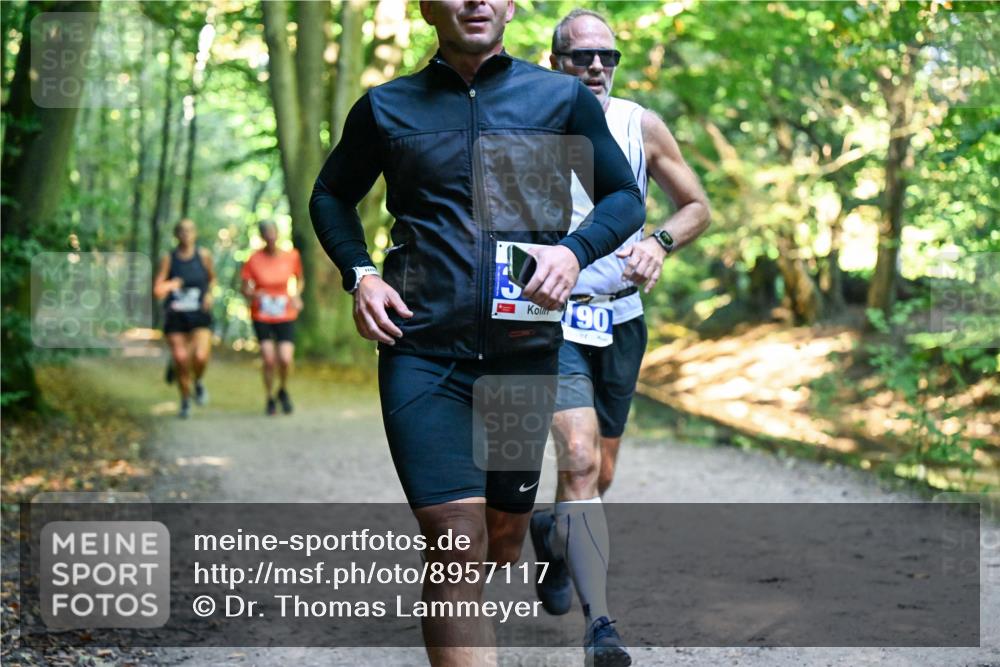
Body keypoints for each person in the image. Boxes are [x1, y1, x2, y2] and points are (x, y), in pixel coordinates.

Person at [309, 1, 646, 664]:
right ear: (428, 7)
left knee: (502, 536)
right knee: (454, 536)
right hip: (421, 350)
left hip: (522, 356)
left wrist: (574, 252)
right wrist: (361, 274)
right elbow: (330, 195)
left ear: (511, 6)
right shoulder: (387, 108)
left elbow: (624, 197)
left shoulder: (560, 99)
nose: (476, 1)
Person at [529, 9, 711, 666]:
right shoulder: (526, 121)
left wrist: (661, 242)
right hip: (551, 319)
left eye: (608, 56)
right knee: (577, 456)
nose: (597, 67)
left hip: (621, 316)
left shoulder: (640, 125)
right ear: (556, 63)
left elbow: (696, 205)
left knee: (599, 472)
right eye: (582, 57)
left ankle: (552, 538)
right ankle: (600, 623)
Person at [153, 218, 217, 419]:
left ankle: (198, 381)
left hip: (199, 315)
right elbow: (157, 290)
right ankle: (185, 401)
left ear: (195, 233)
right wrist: (172, 284)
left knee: (200, 357)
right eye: (182, 231)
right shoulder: (169, 259)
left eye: (190, 230)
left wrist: (208, 295)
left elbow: (212, 279)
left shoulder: (203, 256)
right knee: (181, 359)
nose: (186, 234)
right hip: (176, 317)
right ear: (176, 235)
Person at [240, 221, 304, 415]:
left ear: (278, 233)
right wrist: (253, 294)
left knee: (285, 358)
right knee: (268, 358)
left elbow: (300, 279)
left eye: (273, 233)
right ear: (261, 236)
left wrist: (296, 295)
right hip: (262, 313)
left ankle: (282, 389)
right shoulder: (253, 259)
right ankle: (269, 397)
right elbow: (244, 287)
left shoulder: (291, 256)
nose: (270, 237)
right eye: (266, 234)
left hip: (285, 312)